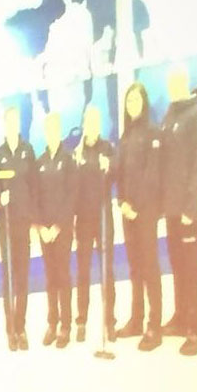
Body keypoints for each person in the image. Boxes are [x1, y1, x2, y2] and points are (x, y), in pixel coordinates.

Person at [160, 64, 197, 356]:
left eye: (177, 81)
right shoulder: (171, 115)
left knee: (194, 270)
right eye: (170, 83)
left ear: (186, 82)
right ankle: (181, 319)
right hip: (171, 210)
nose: (173, 87)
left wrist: (191, 207)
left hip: (189, 212)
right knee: (179, 267)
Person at [115, 80, 164, 351]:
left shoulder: (152, 133)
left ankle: (154, 326)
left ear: (144, 102)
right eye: (128, 101)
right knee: (134, 268)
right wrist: (122, 201)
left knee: (149, 268)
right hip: (127, 212)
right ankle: (136, 320)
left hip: (145, 212)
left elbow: (152, 176)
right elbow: (120, 175)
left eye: (136, 100)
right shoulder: (125, 137)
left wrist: (136, 207)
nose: (132, 105)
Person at [0, 105, 37, 350]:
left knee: (23, 276)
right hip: (5, 225)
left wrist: (35, 221)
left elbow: (34, 186)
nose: (12, 126)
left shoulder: (28, 151)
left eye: (15, 122)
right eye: (8, 122)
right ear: (4, 125)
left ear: (18, 125)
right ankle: (10, 329)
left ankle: (21, 327)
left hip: (23, 222)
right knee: (8, 276)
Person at [72, 103, 116, 344]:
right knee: (83, 270)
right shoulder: (76, 153)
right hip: (84, 219)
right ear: (83, 123)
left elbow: (117, 173)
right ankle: (81, 319)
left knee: (106, 269)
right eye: (88, 121)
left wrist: (109, 167)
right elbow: (72, 187)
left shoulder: (107, 148)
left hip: (103, 216)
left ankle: (109, 321)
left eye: (95, 121)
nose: (92, 125)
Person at [34, 111, 76, 348]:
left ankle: (66, 326)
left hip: (62, 230)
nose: (51, 133)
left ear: (59, 131)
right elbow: (36, 197)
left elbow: (71, 195)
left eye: (54, 129)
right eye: (47, 129)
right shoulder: (39, 162)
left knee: (63, 276)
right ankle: (52, 322)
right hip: (45, 231)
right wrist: (41, 226)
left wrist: (58, 226)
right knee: (50, 278)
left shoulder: (68, 159)